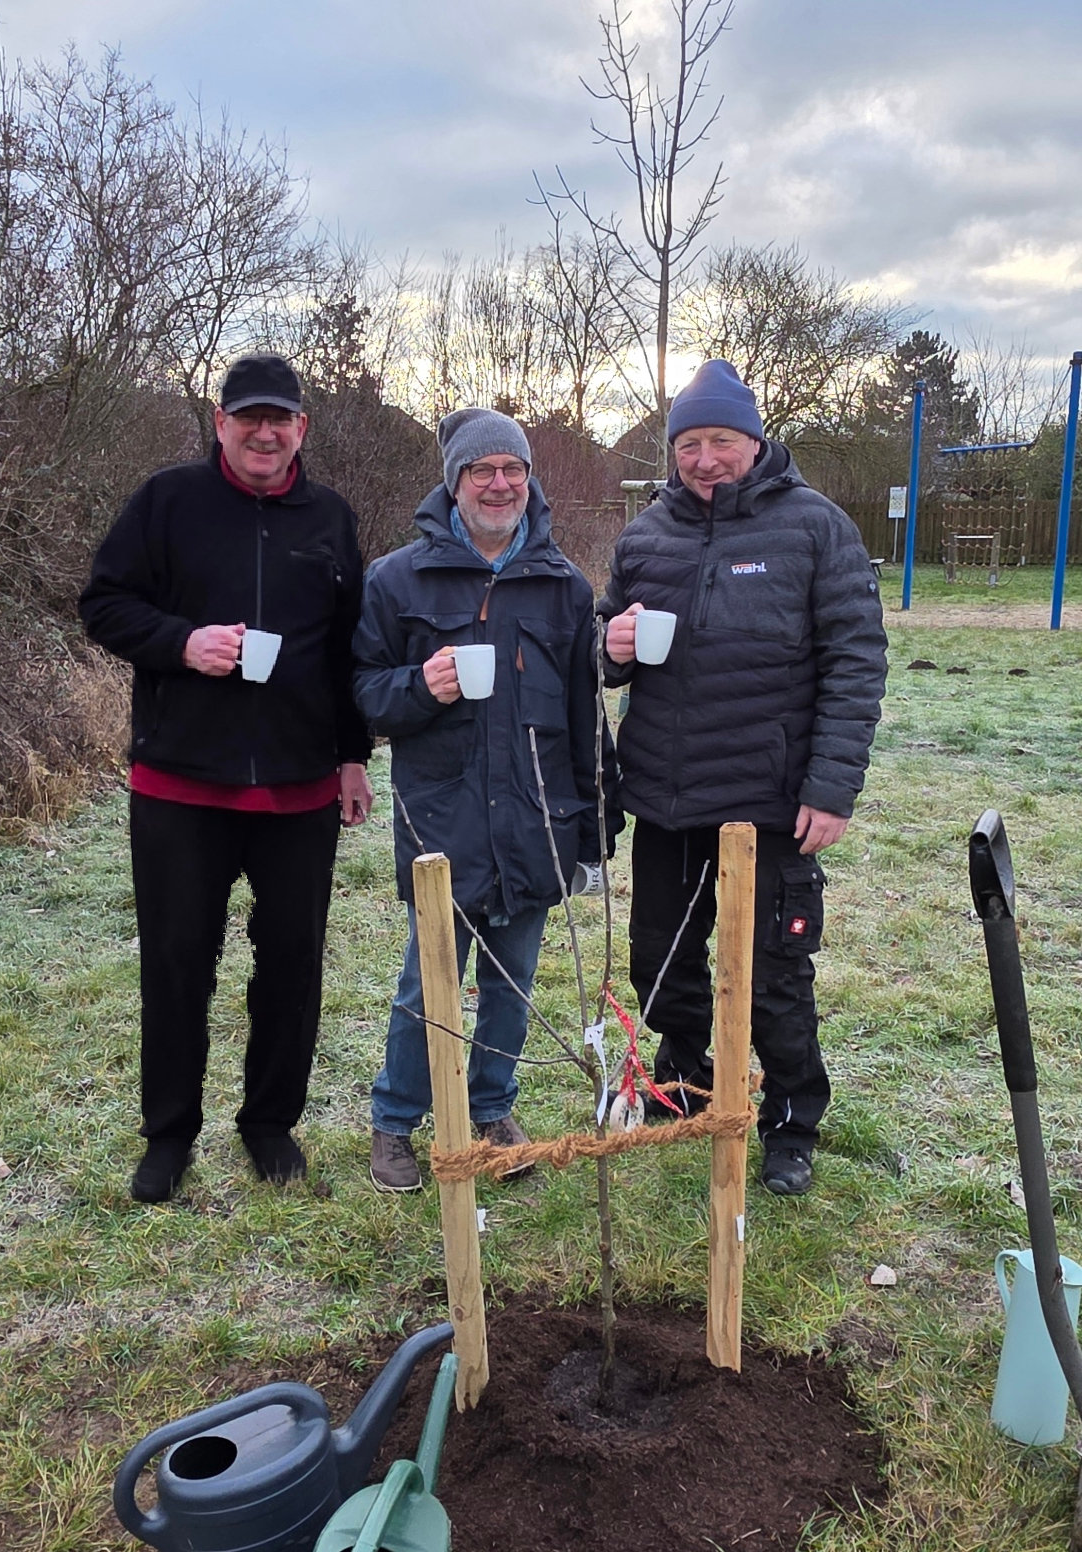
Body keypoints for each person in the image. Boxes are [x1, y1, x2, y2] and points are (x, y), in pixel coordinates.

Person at [80, 353, 373, 1203]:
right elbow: (103, 603)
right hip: (181, 784)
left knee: (291, 963)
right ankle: (169, 1136)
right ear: (221, 423)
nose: (265, 432)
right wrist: (181, 642)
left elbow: (350, 648)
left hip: (300, 787)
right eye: (249, 417)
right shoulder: (167, 501)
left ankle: (269, 1124)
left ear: (301, 430)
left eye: (280, 419)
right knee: (177, 964)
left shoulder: (331, 518)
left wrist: (353, 753)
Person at [599, 358, 886, 1197]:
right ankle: (685, 1086)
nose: (704, 458)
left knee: (771, 977)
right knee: (661, 965)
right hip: (666, 799)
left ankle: (793, 1120)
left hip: (770, 806)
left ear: (755, 442)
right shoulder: (646, 533)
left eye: (721, 440)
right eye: (689, 443)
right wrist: (606, 646)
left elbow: (856, 662)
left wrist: (831, 788)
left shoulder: (815, 528)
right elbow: (602, 641)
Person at [353, 408, 619, 1192]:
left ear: (528, 480)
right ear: (455, 483)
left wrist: (595, 834)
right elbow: (364, 697)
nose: (499, 484)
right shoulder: (398, 580)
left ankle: (493, 1107)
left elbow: (582, 718)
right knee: (427, 984)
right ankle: (396, 1122)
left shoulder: (564, 587)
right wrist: (418, 686)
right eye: (482, 471)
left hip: (538, 820)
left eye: (513, 469)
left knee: (514, 985)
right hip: (442, 823)